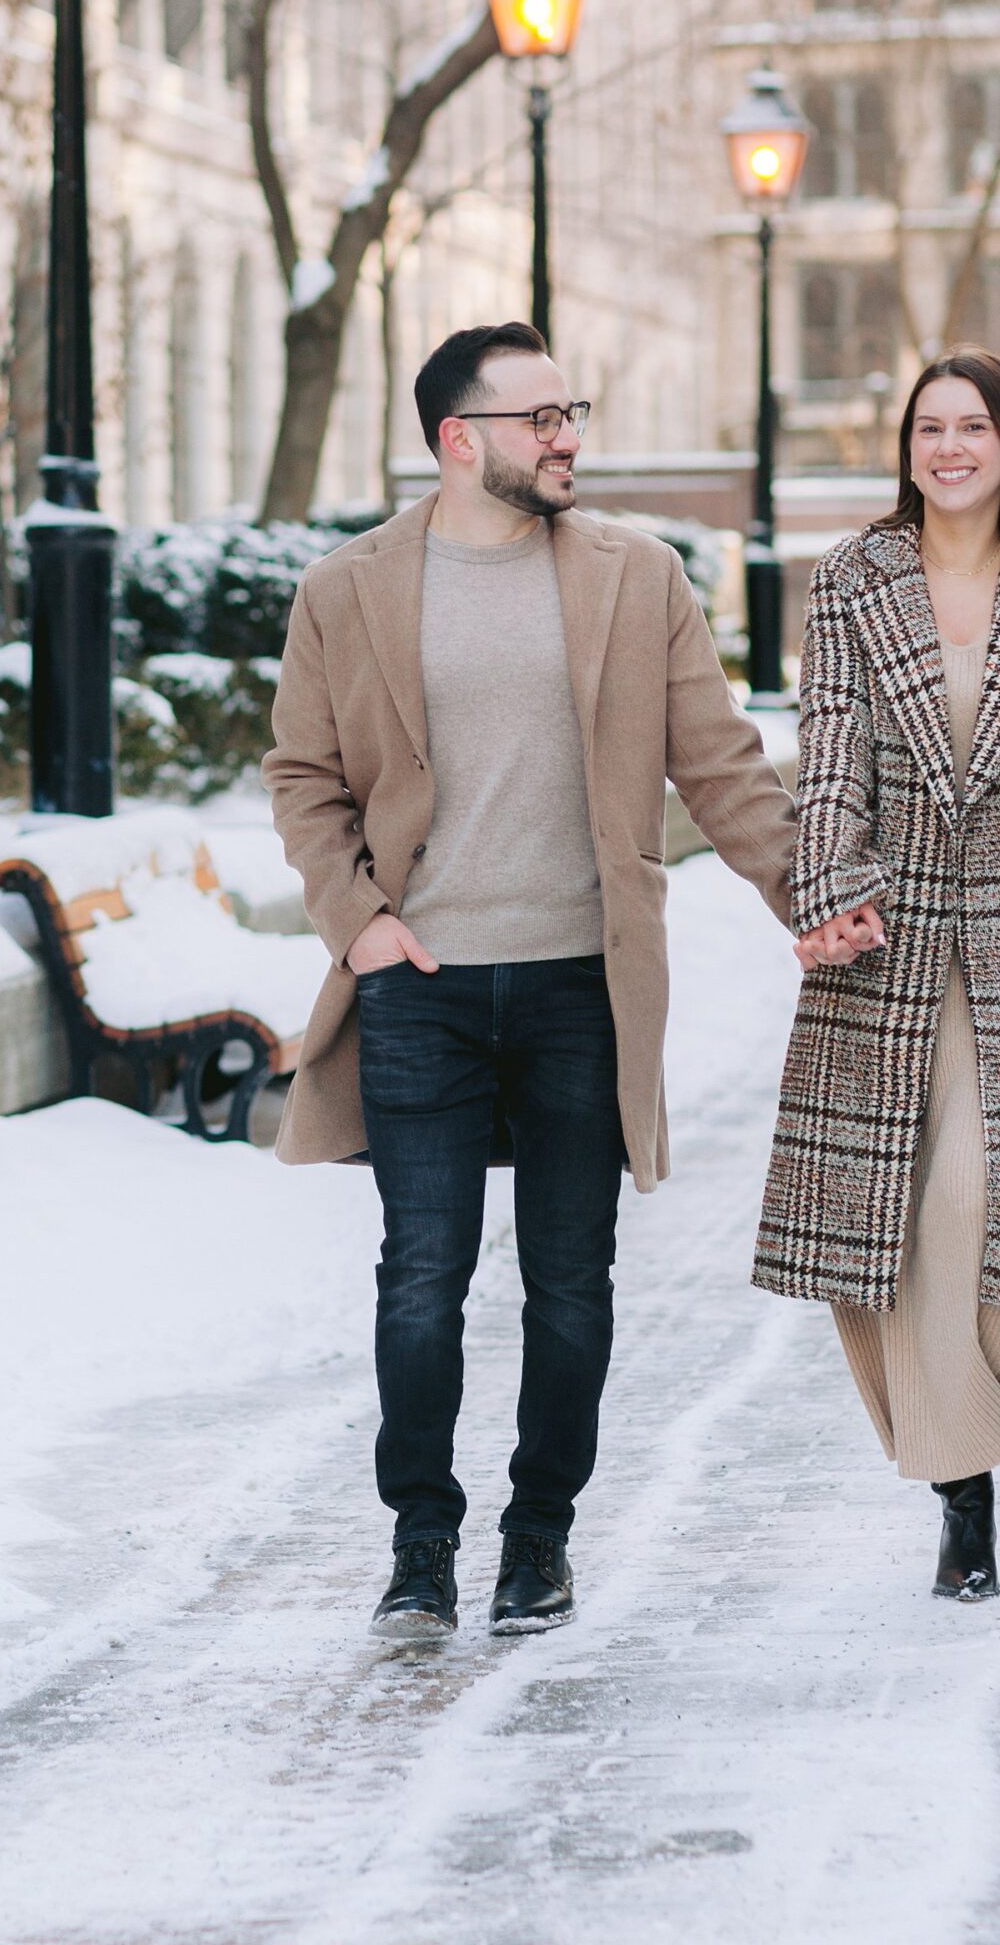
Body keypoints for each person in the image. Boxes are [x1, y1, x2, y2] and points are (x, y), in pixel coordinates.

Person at [264, 321, 796, 1641]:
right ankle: (419, 1543)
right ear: (459, 441)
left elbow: (717, 763)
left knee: (569, 1285)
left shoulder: (633, 576)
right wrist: (362, 924)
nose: (568, 437)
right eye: (540, 417)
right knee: (418, 1278)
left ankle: (538, 1538)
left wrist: (809, 896)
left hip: (577, 987)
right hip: (420, 989)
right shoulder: (349, 588)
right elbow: (304, 777)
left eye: (573, 411)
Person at [752, 348, 1000, 1604]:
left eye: (971, 426)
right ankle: (965, 1492)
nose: (948, 447)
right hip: (890, 946)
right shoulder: (852, 584)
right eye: (928, 427)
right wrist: (828, 888)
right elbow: (829, 765)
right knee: (886, 1229)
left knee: (969, 1204)